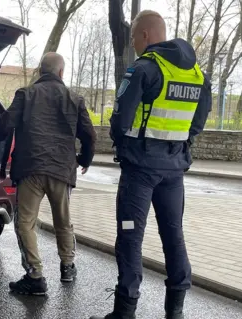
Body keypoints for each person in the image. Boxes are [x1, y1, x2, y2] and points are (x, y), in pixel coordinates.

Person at [90, 10, 212, 319]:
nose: (132, 43)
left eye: (133, 37)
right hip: (174, 171)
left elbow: (121, 118)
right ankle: (176, 310)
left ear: (145, 35)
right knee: (174, 235)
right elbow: (196, 124)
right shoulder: (197, 75)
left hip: (140, 170)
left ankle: (125, 311)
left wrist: (123, 144)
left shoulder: (143, 68)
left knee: (130, 235)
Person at [0, 52, 97, 296]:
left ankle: (35, 276)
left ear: (41, 71)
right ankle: (68, 267)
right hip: (62, 169)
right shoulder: (75, 98)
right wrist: (84, 160)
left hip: (31, 169)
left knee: (25, 223)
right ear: (61, 73)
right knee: (63, 220)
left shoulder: (26, 94)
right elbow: (90, 135)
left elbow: (5, 125)